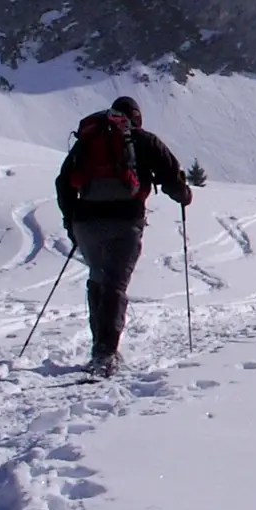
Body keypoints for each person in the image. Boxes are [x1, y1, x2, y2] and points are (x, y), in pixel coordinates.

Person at [53, 95, 191, 377]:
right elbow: (172, 179)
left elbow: (63, 182)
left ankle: (100, 347)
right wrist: (184, 195)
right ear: (136, 118)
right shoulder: (144, 141)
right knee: (116, 282)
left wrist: (71, 221)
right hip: (126, 220)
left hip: (87, 221)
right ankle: (106, 354)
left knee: (98, 280)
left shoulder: (88, 141)